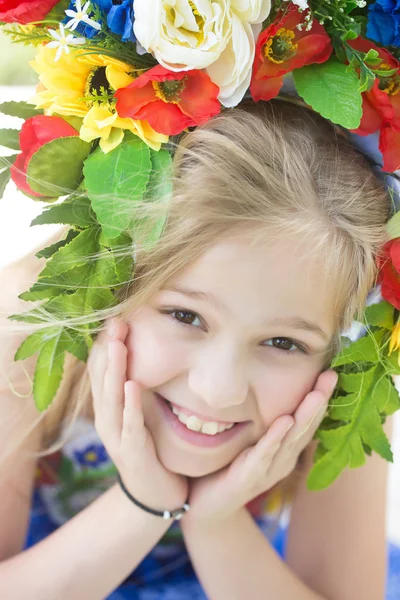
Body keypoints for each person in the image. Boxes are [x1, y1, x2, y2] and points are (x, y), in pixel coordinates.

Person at [0, 99, 395, 599]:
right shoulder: (26, 331)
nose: (218, 390)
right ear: (115, 277)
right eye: (186, 316)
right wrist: (142, 505)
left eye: (283, 342)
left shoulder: (351, 378)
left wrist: (216, 523)